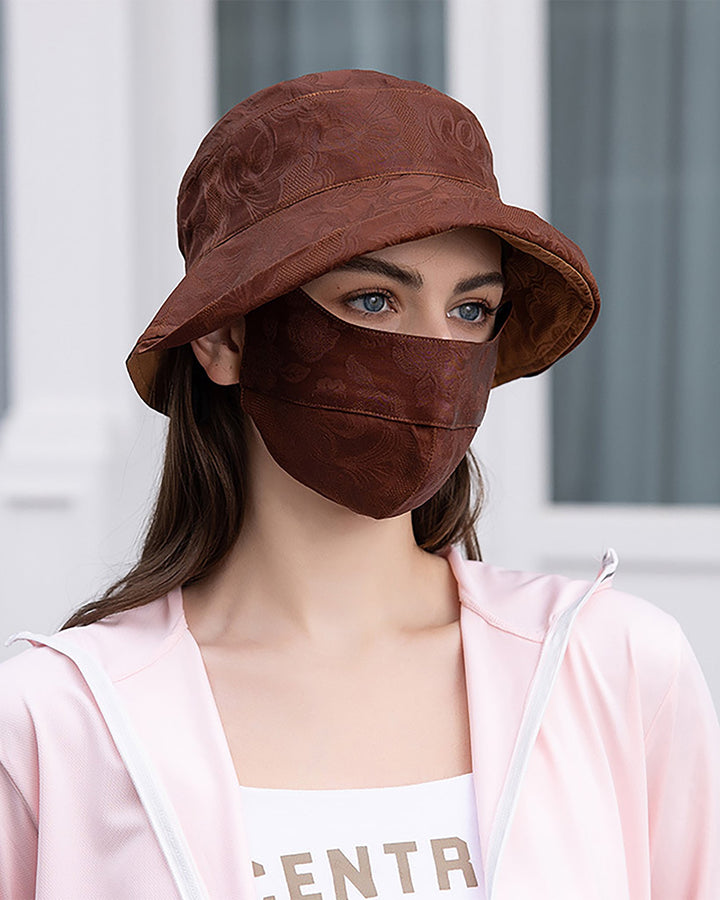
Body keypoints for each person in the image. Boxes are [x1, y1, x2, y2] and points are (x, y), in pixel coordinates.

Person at [1, 69, 718, 900]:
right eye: (375, 300)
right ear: (227, 339)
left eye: (472, 310)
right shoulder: (54, 722)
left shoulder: (614, 664)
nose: (433, 358)